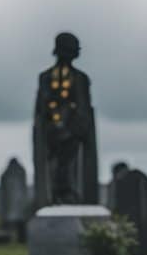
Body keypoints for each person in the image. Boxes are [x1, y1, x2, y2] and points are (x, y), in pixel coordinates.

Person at [33, 32, 99, 205]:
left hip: (74, 133)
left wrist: (72, 129)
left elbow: (84, 107)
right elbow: (42, 106)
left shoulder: (81, 79)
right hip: (52, 134)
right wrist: (56, 125)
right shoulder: (46, 78)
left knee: (72, 168)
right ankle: (56, 194)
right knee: (54, 168)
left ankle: (70, 193)